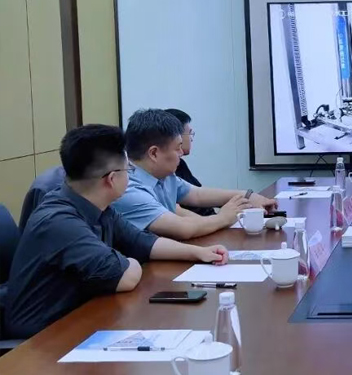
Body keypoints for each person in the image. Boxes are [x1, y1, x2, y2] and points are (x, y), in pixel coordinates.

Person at [2, 125, 230, 339]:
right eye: (129, 169)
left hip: (81, 318)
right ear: (111, 179)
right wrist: (130, 261)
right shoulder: (59, 222)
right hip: (43, 338)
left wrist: (198, 253)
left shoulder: (98, 206)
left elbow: (143, 242)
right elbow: (125, 277)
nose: (130, 175)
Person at [113, 109, 277, 240]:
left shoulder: (164, 175)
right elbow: (181, 229)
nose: (181, 153)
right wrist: (224, 217)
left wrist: (248, 196)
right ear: (154, 153)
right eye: (177, 147)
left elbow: (197, 195)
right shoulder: (128, 188)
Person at [165, 108, 213, 216]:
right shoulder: (163, 173)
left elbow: (198, 195)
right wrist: (223, 218)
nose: (191, 139)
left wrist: (242, 197)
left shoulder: (180, 164)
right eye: (190, 133)